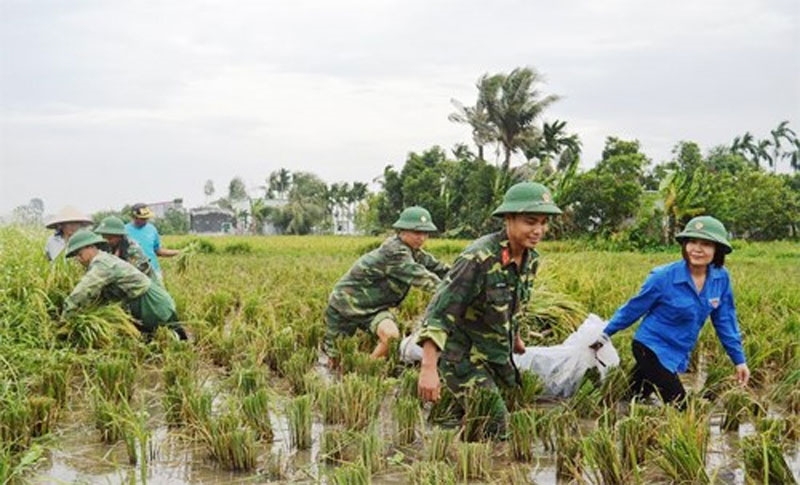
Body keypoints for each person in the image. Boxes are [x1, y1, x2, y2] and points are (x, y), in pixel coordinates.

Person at [416, 182, 562, 439]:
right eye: (530, 222)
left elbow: (513, 303)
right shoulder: (478, 258)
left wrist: (514, 336)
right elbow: (438, 314)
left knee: (485, 414)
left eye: (543, 222)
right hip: (463, 358)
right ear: (509, 218)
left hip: (495, 355)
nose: (539, 230)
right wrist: (428, 368)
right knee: (497, 426)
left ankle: (448, 449)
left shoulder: (531, 259)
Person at [593, 215, 749, 407]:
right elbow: (634, 308)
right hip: (650, 347)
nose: (697, 249)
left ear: (717, 249)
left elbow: (725, 321)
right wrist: (605, 334)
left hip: (677, 350)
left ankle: (608, 416)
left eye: (706, 244)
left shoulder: (720, 279)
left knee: (632, 397)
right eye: (692, 242)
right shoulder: (663, 277)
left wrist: (739, 361)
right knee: (680, 405)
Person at [324, 206, 450, 367]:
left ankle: (365, 371)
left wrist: (465, 277)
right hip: (345, 305)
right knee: (335, 358)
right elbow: (423, 278)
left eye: (426, 233)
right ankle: (340, 379)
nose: (422, 238)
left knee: (390, 337)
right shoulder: (395, 252)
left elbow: (441, 269)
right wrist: (453, 294)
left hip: (375, 309)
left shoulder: (415, 253)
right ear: (402, 231)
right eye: (417, 233)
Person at [63, 229, 188, 340]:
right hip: (140, 302)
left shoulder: (102, 264)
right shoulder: (102, 260)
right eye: (76, 257)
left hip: (151, 302)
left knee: (174, 338)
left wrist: (65, 317)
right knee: (151, 341)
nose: (79, 260)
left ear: (90, 247)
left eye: (80, 254)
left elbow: (83, 290)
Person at [125, 203, 180, 282]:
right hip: (134, 273)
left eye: (147, 218)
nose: (146, 221)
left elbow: (157, 250)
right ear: (134, 217)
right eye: (143, 219)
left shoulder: (152, 229)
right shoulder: (125, 231)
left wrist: (178, 253)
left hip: (153, 271)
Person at [95, 215, 158, 282]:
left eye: (110, 238)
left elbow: (132, 275)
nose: (107, 241)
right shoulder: (108, 246)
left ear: (120, 236)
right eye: (104, 237)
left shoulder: (132, 249)